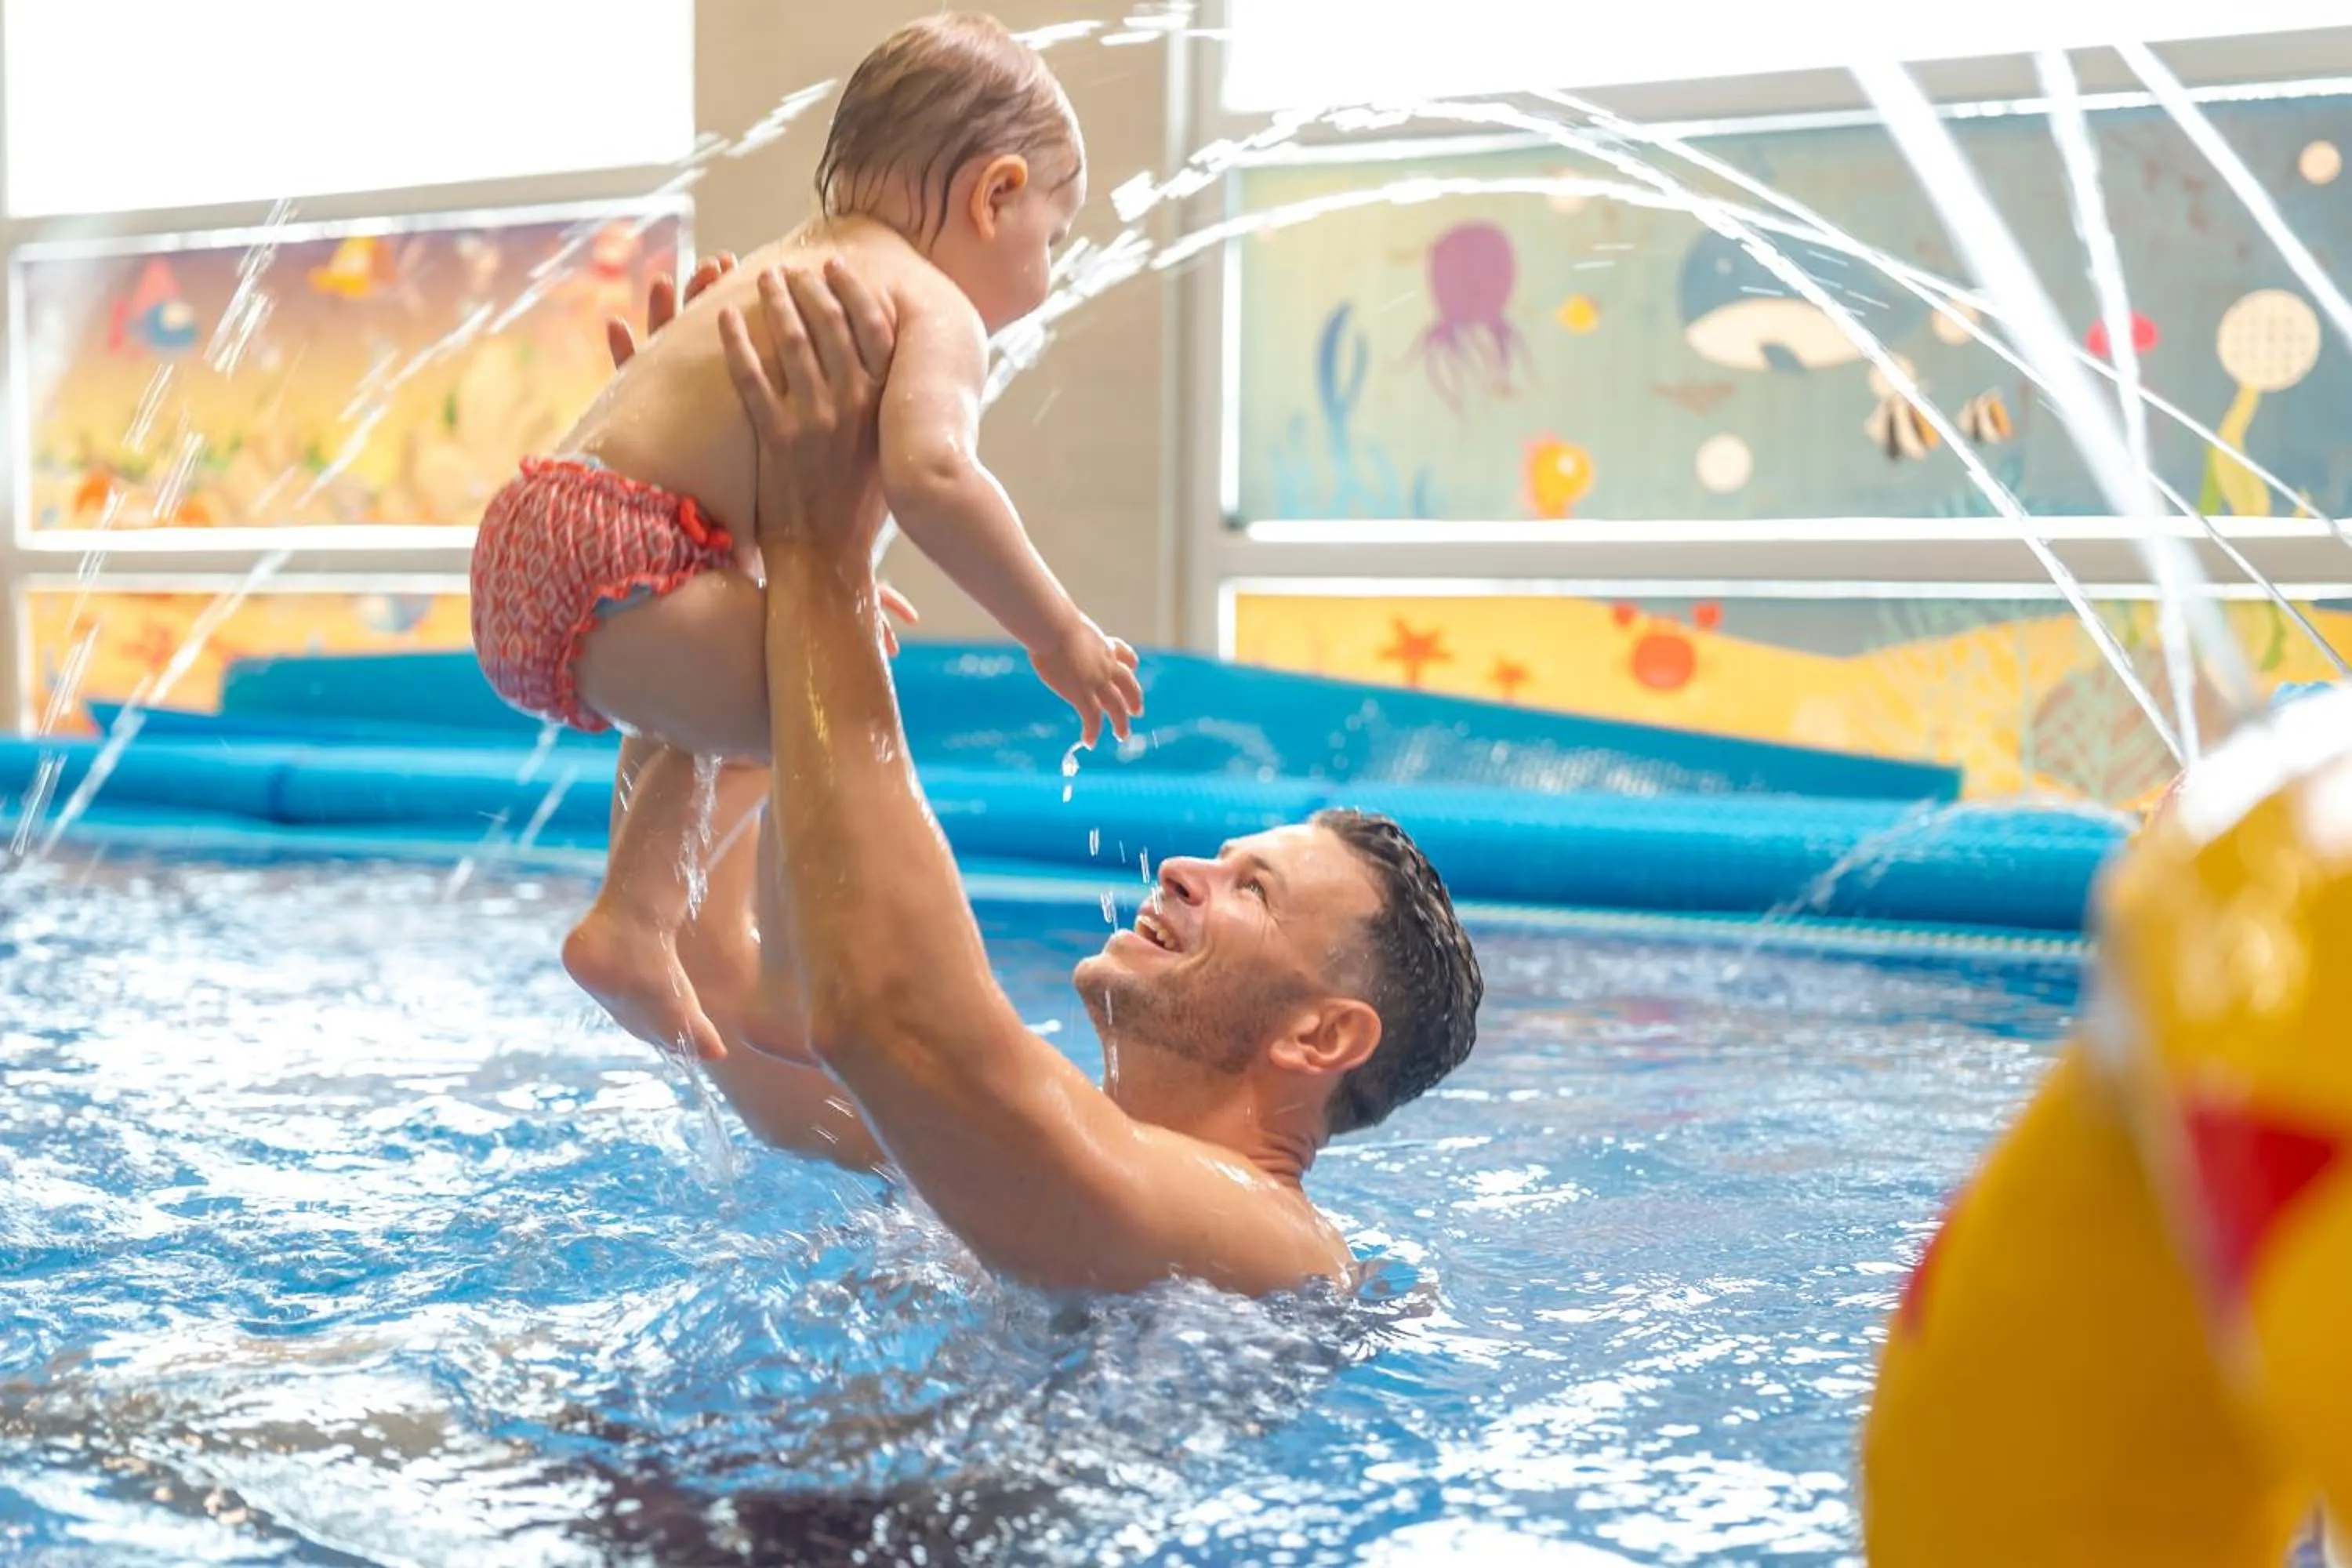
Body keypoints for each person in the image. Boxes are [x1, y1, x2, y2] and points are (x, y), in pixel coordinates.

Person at [696, 257, 1486, 1295]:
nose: (1182, 871)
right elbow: (707, 986)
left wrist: (823, 545)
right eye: (1224, 858)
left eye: (1253, 888)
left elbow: (880, 1013)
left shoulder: (1269, 1241)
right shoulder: (1028, 1138)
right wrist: (711, 569)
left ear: (1323, 1033)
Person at [469, 12, 1145, 1065]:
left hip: (537, 533)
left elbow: (732, 472)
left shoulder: (791, 263)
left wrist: (817, 590)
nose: (1048, 274)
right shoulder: (936, 307)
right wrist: (1056, 633)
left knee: (741, 692)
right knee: (828, 706)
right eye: (1052, 240)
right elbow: (935, 476)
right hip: (629, 551)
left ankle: (634, 922)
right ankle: (794, 981)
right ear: (996, 193)